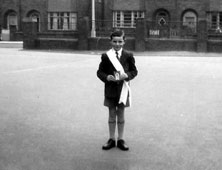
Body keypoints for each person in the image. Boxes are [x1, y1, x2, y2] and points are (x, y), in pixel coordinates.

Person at [97, 30, 138, 151]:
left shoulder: (129, 55)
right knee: (111, 115)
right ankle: (111, 139)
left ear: (124, 42)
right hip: (110, 89)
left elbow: (134, 71)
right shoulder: (106, 56)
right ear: (110, 42)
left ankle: (120, 139)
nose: (117, 44)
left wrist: (127, 75)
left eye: (120, 41)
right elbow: (100, 72)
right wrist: (106, 77)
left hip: (123, 90)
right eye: (114, 41)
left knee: (121, 114)